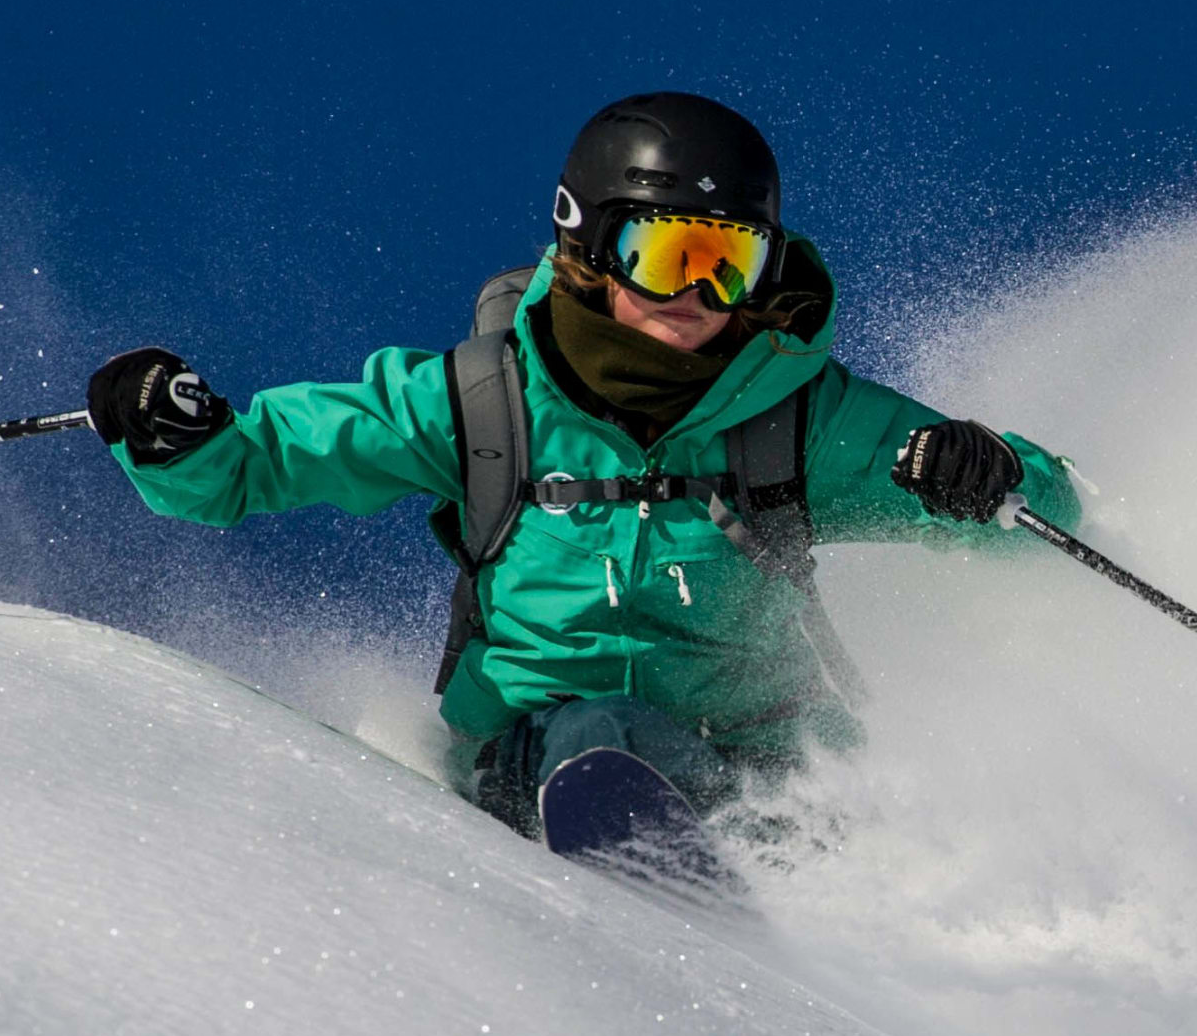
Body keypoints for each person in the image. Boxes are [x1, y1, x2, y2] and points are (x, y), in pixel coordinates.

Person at [85, 91, 1075, 829]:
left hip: (768, 760)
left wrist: (985, 472)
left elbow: (1045, 521)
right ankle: (629, 855)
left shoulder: (799, 414)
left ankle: (855, 928)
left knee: (825, 783)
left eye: (729, 262)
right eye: (667, 252)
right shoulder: (483, 402)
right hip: (543, 757)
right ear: (590, 245)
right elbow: (262, 459)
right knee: (598, 731)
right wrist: (181, 436)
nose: (696, 292)